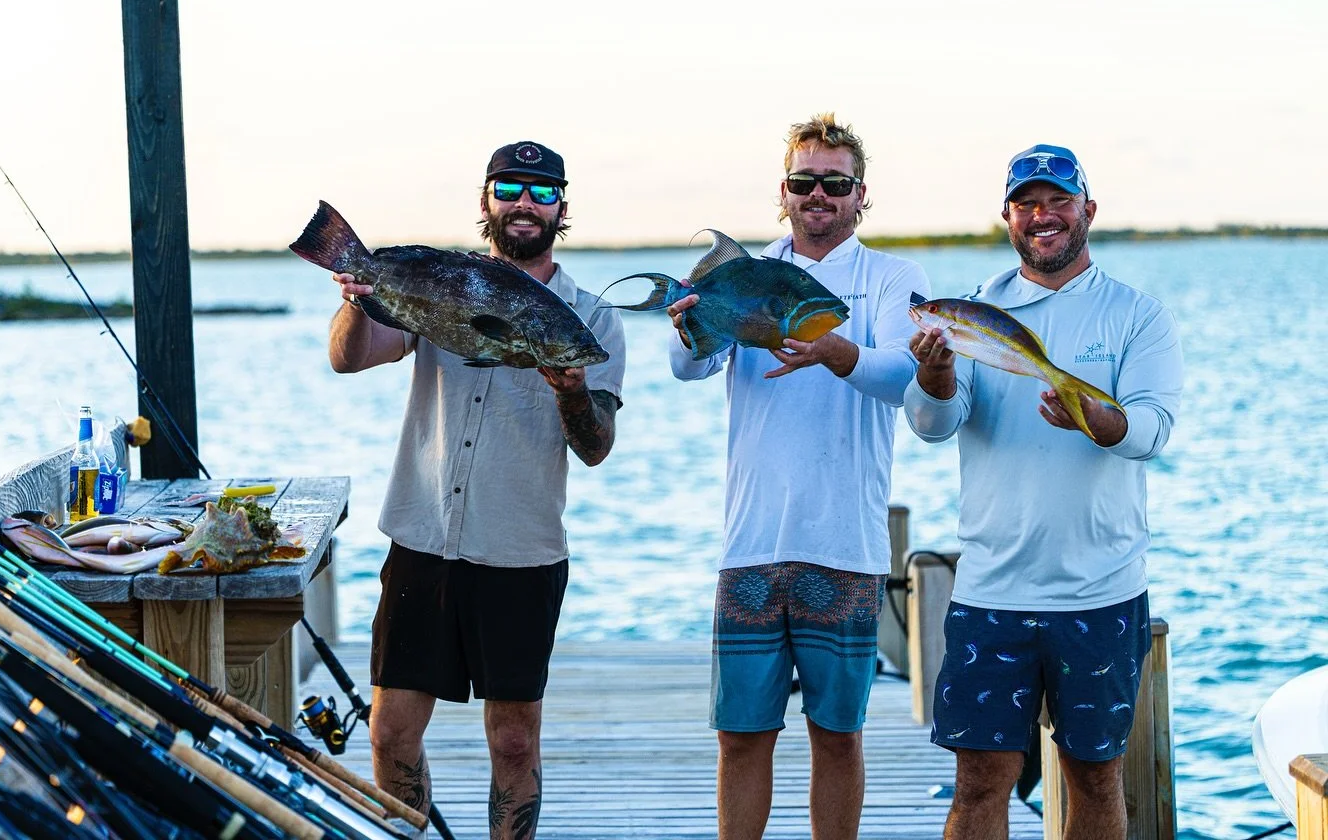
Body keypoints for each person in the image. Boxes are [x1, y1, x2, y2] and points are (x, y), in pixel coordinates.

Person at [327, 141, 626, 840]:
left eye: (542, 192)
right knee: (389, 732)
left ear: (562, 207)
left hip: (521, 550)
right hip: (423, 536)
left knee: (514, 742)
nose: (525, 203)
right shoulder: (441, 283)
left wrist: (573, 393)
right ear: (488, 199)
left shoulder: (591, 318)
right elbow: (347, 359)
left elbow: (596, 449)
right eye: (510, 188)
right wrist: (354, 297)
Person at [904, 144, 1184, 840]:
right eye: (1027, 203)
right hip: (991, 590)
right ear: (1007, 217)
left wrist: (1097, 418)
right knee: (977, 783)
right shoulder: (974, 311)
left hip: (1101, 592)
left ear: (1087, 209)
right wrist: (936, 378)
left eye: (1058, 200)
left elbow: (1151, 429)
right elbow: (933, 423)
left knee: (1095, 778)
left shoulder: (1135, 315)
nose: (1043, 215)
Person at [667, 113, 929, 840]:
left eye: (835, 183)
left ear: (860, 194)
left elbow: (905, 378)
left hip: (846, 548)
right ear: (782, 192)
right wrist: (690, 320)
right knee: (741, 735)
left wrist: (836, 353)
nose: (819, 195)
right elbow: (689, 365)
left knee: (837, 734)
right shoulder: (743, 275)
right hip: (749, 547)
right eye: (804, 181)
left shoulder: (892, 278)